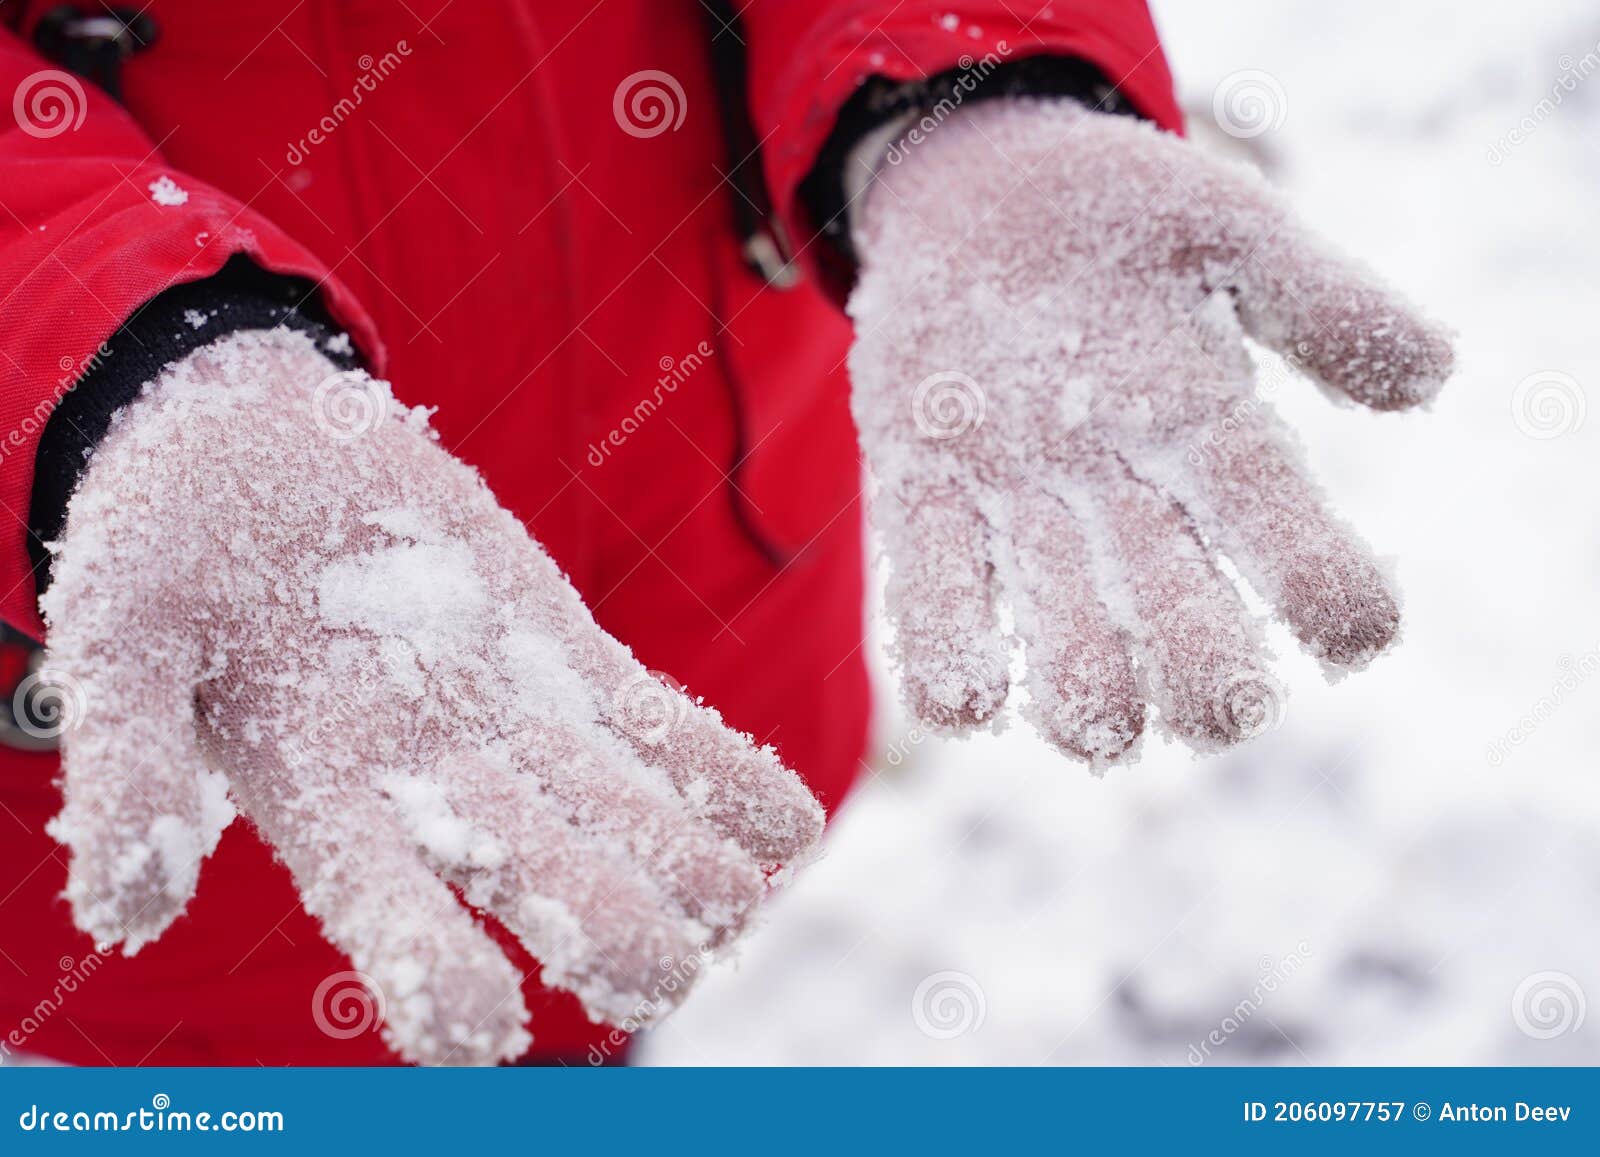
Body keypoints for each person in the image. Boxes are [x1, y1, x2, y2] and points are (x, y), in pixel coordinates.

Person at [0, 1, 1452, 1066]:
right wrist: (100, 339)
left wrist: (957, 80)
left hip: (708, 573)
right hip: (175, 874)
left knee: (600, 985)